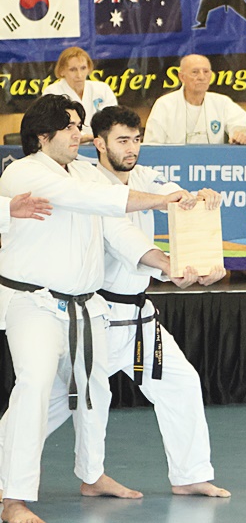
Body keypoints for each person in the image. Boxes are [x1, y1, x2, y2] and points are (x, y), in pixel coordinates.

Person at [0, 94, 200, 523]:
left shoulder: (85, 173)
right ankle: (13, 496)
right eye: (71, 126)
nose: (80, 133)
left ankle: (91, 476)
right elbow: (102, 203)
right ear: (43, 135)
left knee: (95, 391)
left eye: (80, 125)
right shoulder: (25, 172)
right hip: (32, 303)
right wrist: (163, 201)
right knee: (34, 386)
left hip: (86, 304)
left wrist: (167, 266)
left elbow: (116, 229)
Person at [37, 106, 230, 500]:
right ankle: (78, 476)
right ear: (99, 143)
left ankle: (190, 474)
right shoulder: (86, 183)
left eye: (137, 139)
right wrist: (167, 266)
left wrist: (204, 208)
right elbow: (120, 235)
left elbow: (181, 202)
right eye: (122, 140)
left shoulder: (146, 179)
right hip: (97, 316)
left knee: (181, 383)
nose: (132, 147)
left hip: (139, 318)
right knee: (52, 403)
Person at [144, 54, 246, 145]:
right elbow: (153, 145)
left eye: (206, 72)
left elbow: (240, 126)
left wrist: (241, 133)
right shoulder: (164, 105)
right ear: (182, 77)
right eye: (195, 72)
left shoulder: (222, 103)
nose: (202, 77)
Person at [41, 46, 118, 142]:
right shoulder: (52, 92)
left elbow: (113, 120)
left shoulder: (102, 89)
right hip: (65, 145)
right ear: (62, 71)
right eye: (73, 69)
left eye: (83, 68)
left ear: (89, 68)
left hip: (101, 143)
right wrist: (86, 137)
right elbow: (53, 126)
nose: (79, 75)